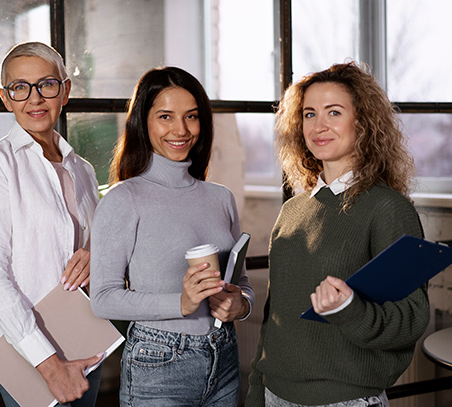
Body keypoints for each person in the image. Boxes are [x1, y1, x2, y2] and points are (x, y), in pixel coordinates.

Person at [246, 62, 430, 407]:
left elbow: (412, 318)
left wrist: (350, 309)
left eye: (334, 112)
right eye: (309, 114)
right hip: (274, 396)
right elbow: (276, 319)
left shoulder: (387, 208)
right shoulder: (292, 210)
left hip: (345, 400)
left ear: (362, 122)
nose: (319, 126)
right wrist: (257, 391)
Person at [90, 66, 255, 407]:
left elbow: (242, 283)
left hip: (224, 355)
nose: (180, 130)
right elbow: (103, 298)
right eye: (166, 116)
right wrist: (180, 303)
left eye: (191, 117)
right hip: (159, 361)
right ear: (143, 122)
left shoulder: (220, 197)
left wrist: (241, 305)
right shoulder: (124, 198)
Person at [0, 42, 102, 407]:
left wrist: (95, 255)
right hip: (29, 348)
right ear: (6, 98)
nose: (34, 98)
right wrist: (49, 364)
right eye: (20, 87)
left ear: (65, 90)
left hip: (85, 334)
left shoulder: (82, 169)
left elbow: (99, 246)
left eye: (47, 84)